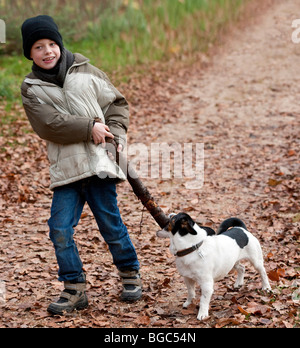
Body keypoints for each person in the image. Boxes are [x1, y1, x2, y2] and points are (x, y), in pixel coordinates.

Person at [20, 15, 142, 315]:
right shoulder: (31, 88)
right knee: (59, 229)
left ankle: (130, 274)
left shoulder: (86, 71)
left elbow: (117, 103)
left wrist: (117, 133)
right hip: (66, 171)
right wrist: (90, 127)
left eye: (52, 44)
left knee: (111, 225)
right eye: (38, 47)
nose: (47, 51)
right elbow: (49, 125)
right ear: (29, 53)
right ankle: (74, 288)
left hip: (99, 164)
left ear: (60, 44)